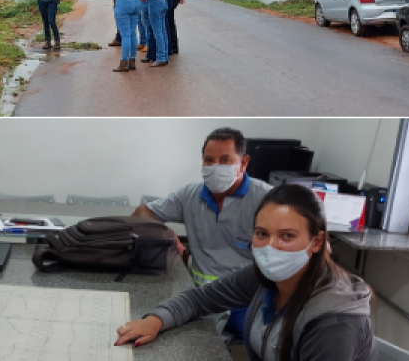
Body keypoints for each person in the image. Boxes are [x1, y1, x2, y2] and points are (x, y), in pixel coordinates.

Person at [117, 184, 375, 361]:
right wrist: (155, 320)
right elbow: (198, 299)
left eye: (287, 236)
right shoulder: (266, 277)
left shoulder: (334, 323)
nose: (271, 246)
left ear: (316, 242)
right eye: (262, 233)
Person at [131, 127, 273, 339]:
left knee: (270, 343)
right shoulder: (190, 195)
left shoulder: (268, 199)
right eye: (209, 160)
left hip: (245, 302)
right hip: (198, 296)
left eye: (225, 160)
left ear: (243, 163)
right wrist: (164, 232)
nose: (215, 168)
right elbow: (141, 213)